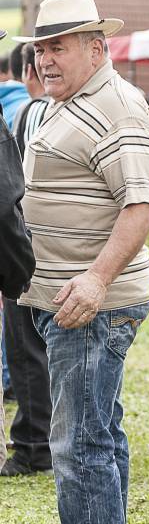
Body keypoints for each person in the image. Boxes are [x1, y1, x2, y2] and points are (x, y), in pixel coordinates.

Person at [15, 0, 149, 524]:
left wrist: (96, 281)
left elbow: (141, 205)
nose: (46, 59)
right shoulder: (66, 100)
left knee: (80, 442)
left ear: (97, 48)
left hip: (89, 305)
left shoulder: (117, 108)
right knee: (97, 432)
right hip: (67, 299)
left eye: (59, 46)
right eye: (41, 48)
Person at [2, 42, 54, 477]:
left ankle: (36, 444)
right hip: (49, 243)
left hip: (32, 239)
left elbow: (14, 197)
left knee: (27, 346)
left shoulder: (29, 114)